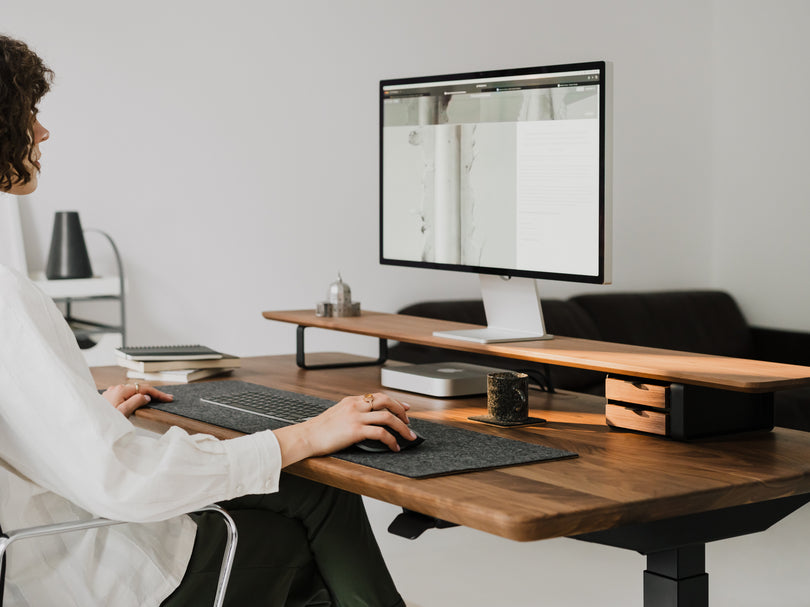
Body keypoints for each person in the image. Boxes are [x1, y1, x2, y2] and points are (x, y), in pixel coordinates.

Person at [0, 34, 410, 607]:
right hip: (96, 573)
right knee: (304, 519)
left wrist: (79, 422)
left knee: (302, 497)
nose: (41, 132)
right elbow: (122, 482)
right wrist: (308, 432)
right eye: (27, 114)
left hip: (47, 548)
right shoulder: (7, 299)